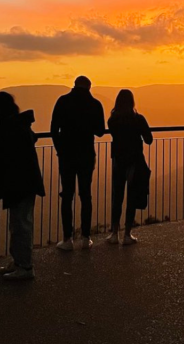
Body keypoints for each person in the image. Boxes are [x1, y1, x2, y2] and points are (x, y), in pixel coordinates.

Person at [0, 92, 46, 280]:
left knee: (20, 224)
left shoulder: (10, 129)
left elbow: (9, 157)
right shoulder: (18, 126)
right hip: (25, 181)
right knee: (19, 222)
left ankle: (25, 267)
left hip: (20, 182)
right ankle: (20, 261)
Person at [50, 76, 106, 250]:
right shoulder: (95, 104)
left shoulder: (63, 101)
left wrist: (60, 148)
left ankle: (67, 239)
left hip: (67, 155)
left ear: (74, 85)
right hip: (86, 155)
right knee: (85, 195)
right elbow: (100, 132)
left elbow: (53, 129)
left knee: (67, 195)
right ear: (89, 87)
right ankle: (85, 237)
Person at [106, 89, 153, 245]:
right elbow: (149, 139)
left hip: (118, 161)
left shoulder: (112, 120)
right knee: (131, 197)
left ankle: (114, 233)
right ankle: (127, 234)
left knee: (117, 197)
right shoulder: (138, 119)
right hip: (134, 161)